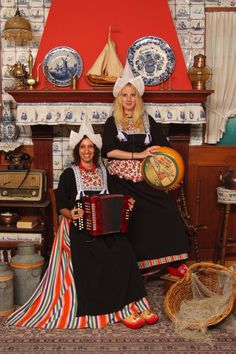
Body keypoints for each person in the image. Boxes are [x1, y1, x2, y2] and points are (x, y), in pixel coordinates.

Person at [6, 118, 158, 330]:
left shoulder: (104, 172)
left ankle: (131, 304)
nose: (87, 151)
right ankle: (112, 307)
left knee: (124, 249)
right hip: (78, 226)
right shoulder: (70, 174)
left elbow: (116, 197)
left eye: (90, 147)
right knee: (96, 254)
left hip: (104, 226)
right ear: (78, 151)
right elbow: (61, 206)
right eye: (83, 147)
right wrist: (72, 213)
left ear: (95, 150)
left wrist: (127, 203)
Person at [101, 62, 190, 277]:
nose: (129, 99)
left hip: (146, 178)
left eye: (132, 95)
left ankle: (174, 263)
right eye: (124, 95)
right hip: (121, 180)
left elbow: (166, 149)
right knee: (132, 217)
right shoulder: (112, 122)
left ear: (138, 98)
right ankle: (135, 266)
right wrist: (138, 155)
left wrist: (170, 175)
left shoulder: (148, 121)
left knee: (167, 211)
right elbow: (108, 152)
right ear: (118, 98)